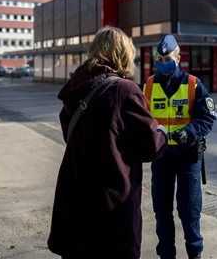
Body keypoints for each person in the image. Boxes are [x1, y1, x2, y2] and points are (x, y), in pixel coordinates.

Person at [48, 27, 167, 259]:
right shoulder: (124, 90)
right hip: (111, 207)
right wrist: (162, 131)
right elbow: (150, 146)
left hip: (74, 203)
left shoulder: (77, 88)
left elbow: (70, 134)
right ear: (123, 54)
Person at [145, 35, 217, 259]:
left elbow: (208, 117)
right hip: (161, 157)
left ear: (178, 57)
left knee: (189, 212)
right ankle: (166, 254)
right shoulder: (149, 85)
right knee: (162, 211)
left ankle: (195, 253)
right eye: (159, 58)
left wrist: (190, 132)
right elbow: (144, 117)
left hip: (188, 157)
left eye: (166, 58)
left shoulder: (193, 84)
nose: (162, 62)